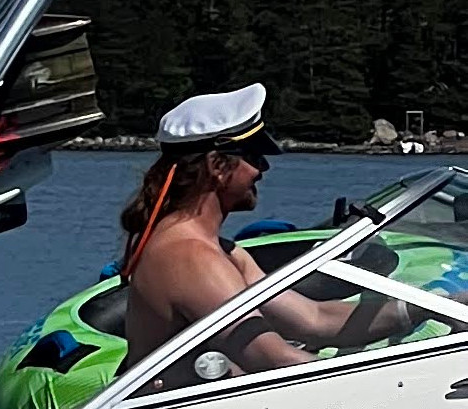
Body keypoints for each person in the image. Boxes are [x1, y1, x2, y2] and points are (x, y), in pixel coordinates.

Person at [119, 83, 407, 381]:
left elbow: (315, 320)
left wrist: (421, 308)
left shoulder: (224, 252)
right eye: (255, 156)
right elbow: (273, 360)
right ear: (217, 165)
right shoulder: (188, 257)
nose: (264, 168)